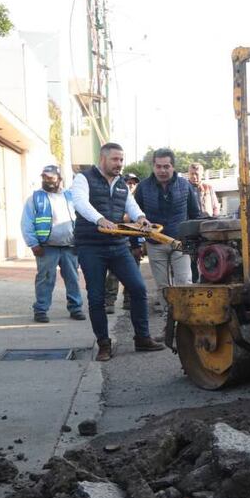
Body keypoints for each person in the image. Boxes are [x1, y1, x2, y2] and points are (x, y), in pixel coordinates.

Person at [72, 142, 162, 361]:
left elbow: (131, 206)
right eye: (115, 159)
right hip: (91, 246)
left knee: (138, 289)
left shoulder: (122, 183)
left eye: (121, 160)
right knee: (96, 297)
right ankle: (104, 344)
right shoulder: (83, 178)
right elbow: (80, 202)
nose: (119, 164)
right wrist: (100, 219)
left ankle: (142, 338)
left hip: (117, 245)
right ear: (102, 159)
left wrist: (140, 218)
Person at [134, 148, 201, 313]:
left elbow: (195, 214)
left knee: (184, 283)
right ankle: (168, 324)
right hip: (154, 244)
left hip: (180, 243)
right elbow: (136, 216)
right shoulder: (143, 187)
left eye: (166, 166)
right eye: (158, 166)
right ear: (153, 166)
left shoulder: (185, 185)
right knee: (163, 287)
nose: (162, 170)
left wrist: (196, 243)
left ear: (173, 167)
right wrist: (135, 244)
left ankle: (187, 324)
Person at [21, 165, 85, 323]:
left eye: (51, 178)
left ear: (59, 179)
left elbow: (81, 219)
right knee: (45, 278)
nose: (47, 181)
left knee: (72, 278)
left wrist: (80, 241)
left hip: (70, 246)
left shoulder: (71, 197)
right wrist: (33, 243)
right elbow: (27, 222)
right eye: (44, 177)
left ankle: (76, 308)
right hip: (46, 247)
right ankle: (41, 310)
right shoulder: (35, 198)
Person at [105, 173, 142, 313]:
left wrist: (139, 245)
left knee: (132, 274)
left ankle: (128, 300)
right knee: (114, 274)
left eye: (133, 183)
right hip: (118, 242)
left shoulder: (137, 202)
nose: (131, 185)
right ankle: (109, 302)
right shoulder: (116, 199)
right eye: (128, 182)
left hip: (134, 243)